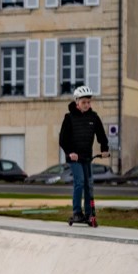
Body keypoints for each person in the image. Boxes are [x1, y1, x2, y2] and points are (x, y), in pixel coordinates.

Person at [58, 85, 109, 226]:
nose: (87, 105)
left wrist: (104, 149)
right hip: (74, 158)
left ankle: (89, 213)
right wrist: (70, 153)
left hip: (87, 156)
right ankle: (76, 212)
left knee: (89, 185)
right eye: (83, 102)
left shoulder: (94, 117)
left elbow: (101, 135)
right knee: (79, 182)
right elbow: (62, 140)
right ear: (77, 103)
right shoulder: (69, 118)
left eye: (88, 102)